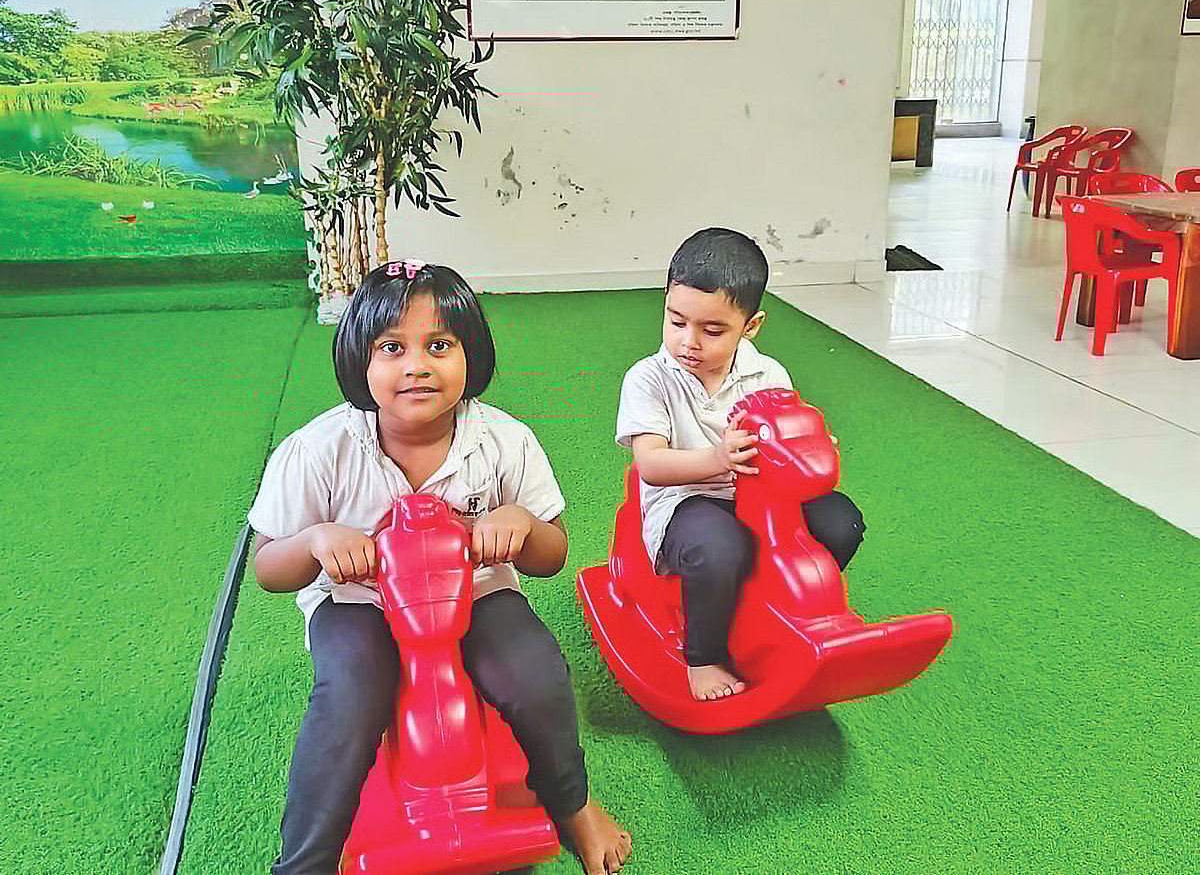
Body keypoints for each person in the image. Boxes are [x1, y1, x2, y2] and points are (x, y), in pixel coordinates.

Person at [249, 259, 632, 874]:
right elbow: (269, 566)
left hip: (478, 593)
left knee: (538, 679)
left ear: (469, 354)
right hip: (360, 603)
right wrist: (317, 541)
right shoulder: (319, 449)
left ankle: (575, 804)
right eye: (392, 348)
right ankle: (306, 862)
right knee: (348, 697)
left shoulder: (505, 441)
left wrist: (523, 526)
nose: (417, 366)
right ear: (359, 361)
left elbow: (553, 555)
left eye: (440, 345)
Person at [615, 228, 867, 701]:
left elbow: (786, 438)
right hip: (685, 499)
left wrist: (811, 447)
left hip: (761, 497)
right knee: (719, 546)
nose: (689, 342)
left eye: (712, 330)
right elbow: (650, 465)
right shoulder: (649, 378)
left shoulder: (767, 374)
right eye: (676, 321)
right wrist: (717, 458)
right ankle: (704, 656)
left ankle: (779, 609)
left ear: (751, 326)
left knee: (840, 522)